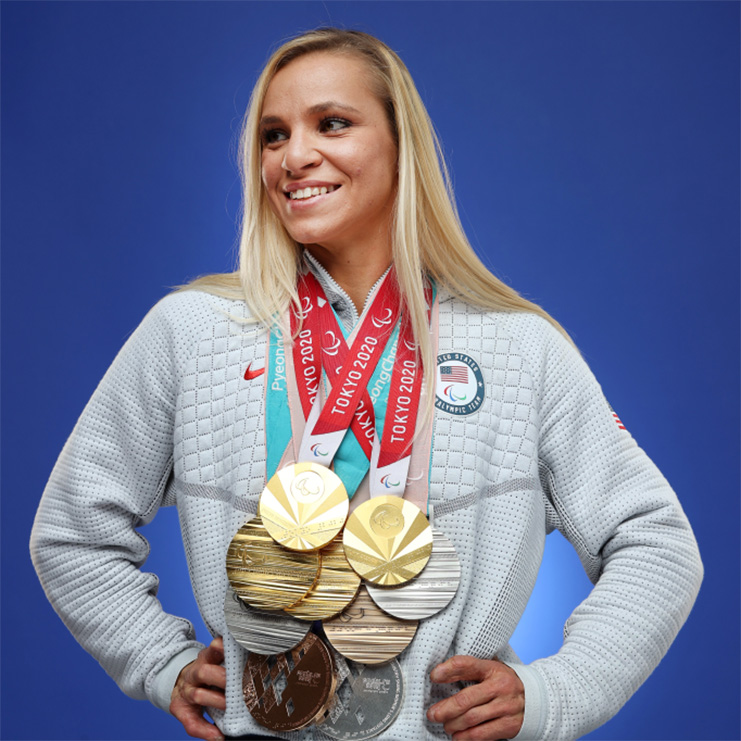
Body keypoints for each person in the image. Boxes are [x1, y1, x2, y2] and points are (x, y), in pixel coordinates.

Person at [30, 27, 703, 741]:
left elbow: (654, 541)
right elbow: (73, 531)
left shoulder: (517, 347)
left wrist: (557, 692)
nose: (295, 156)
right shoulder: (192, 333)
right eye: (273, 135)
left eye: (332, 124)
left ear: (398, 146)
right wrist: (158, 659)